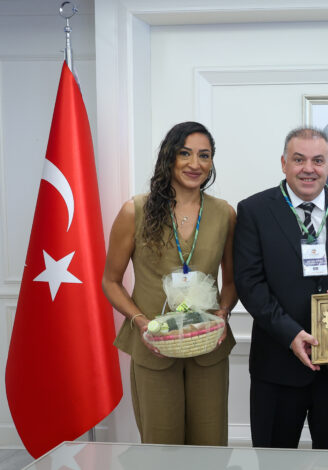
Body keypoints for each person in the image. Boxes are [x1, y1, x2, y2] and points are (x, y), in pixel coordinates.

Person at [233, 127, 328, 449]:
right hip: (276, 364)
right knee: (274, 460)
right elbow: (250, 283)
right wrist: (291, 334)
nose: (308, 169)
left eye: (317, 160)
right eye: (298, 159)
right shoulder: (254, 210)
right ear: (284, 163)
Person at [103, 121, 237, 445]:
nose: (195, 164)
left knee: (210, 447)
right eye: (185, 153)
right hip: (154, 347)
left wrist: (222, 314)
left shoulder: (224, 214)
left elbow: (232, 281)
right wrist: (140, 322)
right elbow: (110, 281)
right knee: (161, 449)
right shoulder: (135, 210)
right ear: (169, 157)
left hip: (208, 347)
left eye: (204, 155)